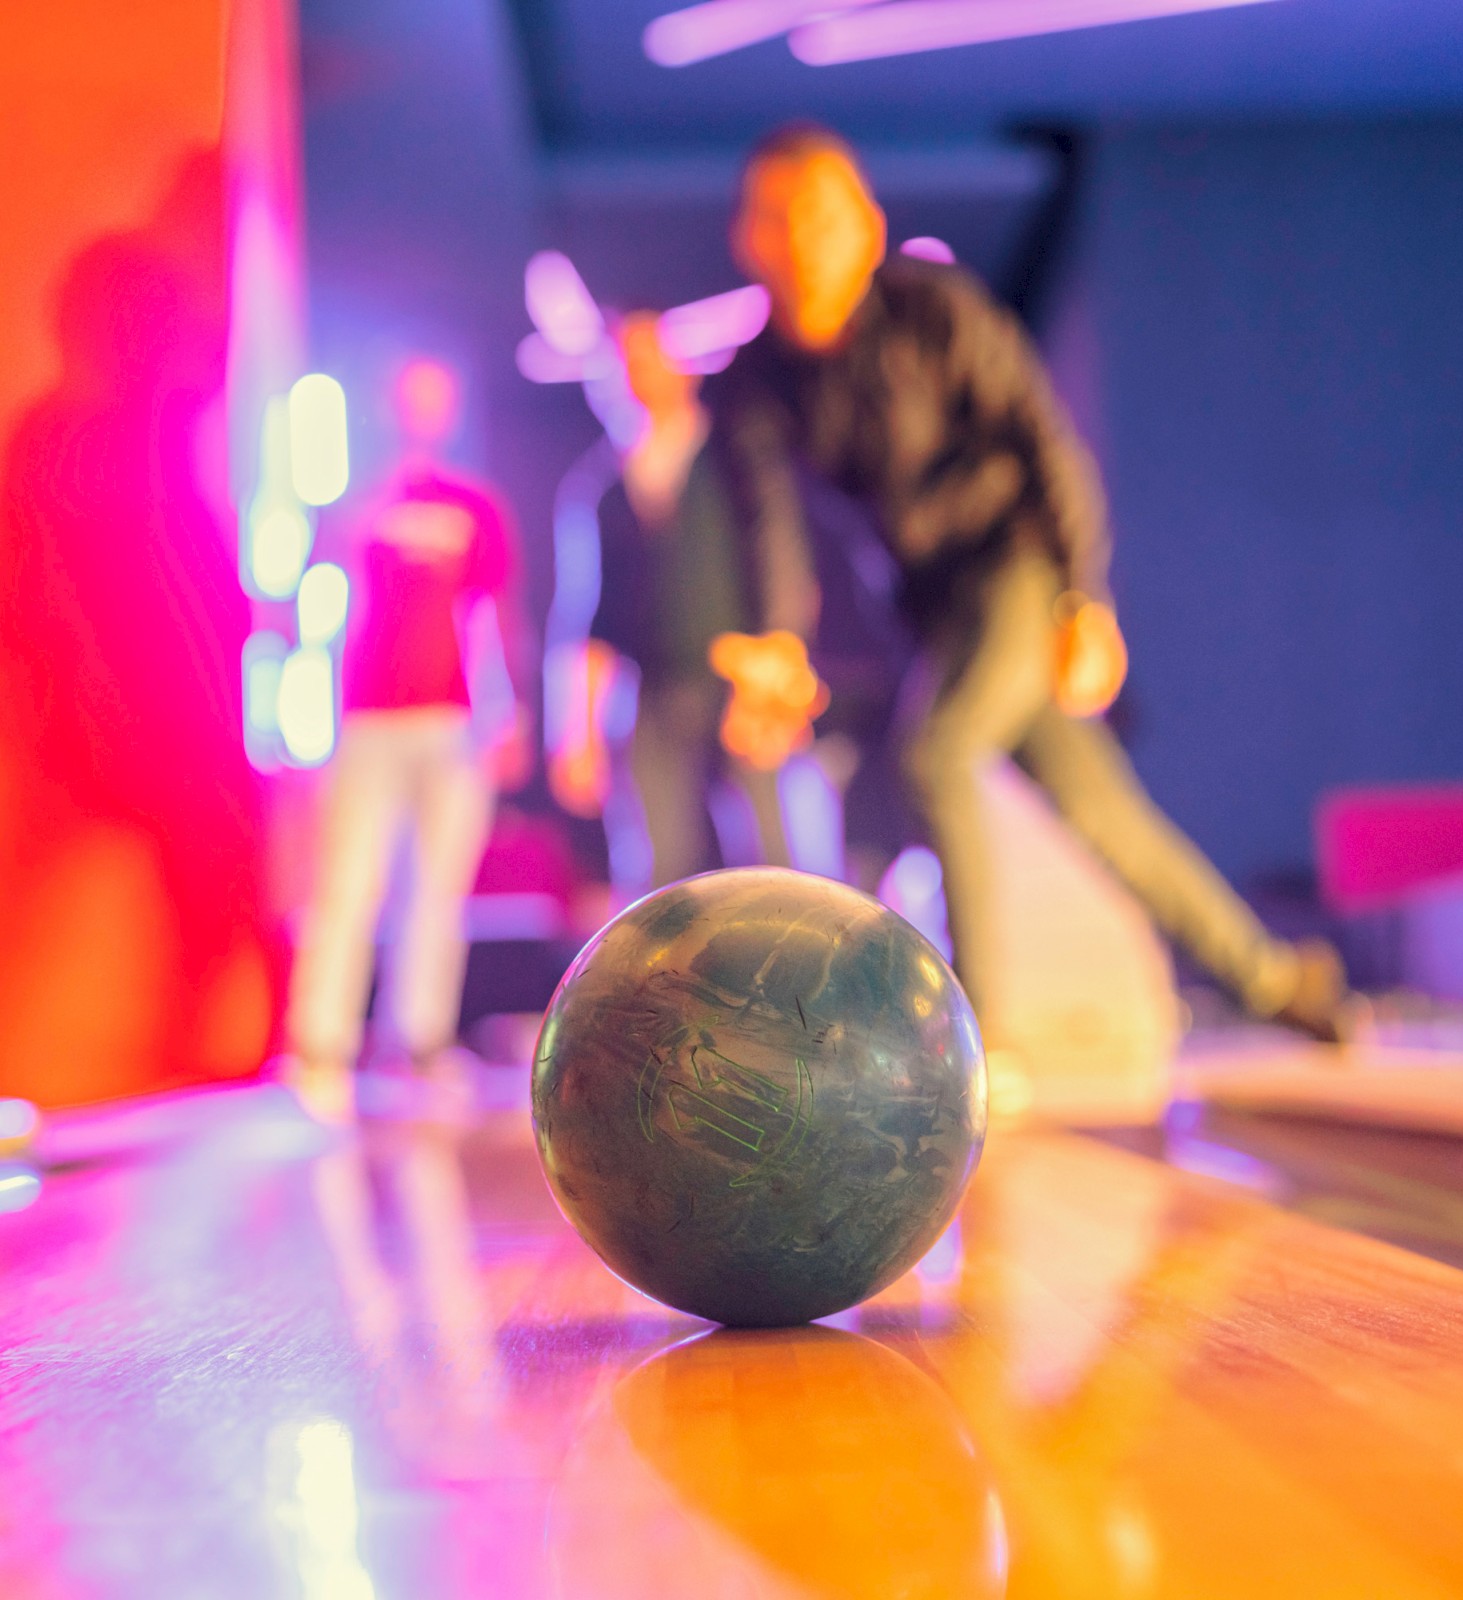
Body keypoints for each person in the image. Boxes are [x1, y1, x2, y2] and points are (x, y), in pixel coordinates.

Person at [707, 124, 1354, 1047]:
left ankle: (976, 1039)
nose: (802, 241)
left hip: (1016, 574)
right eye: (777, 218)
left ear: (865, 226)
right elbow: (765, 529)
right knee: (1104, 815)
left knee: (934, 754)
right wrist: (774, 647)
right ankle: (1275, 981)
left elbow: (1045, 443)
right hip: (932, 612)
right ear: (748, 240)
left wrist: (1085, 598)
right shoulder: (753, 383)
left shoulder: (939, 311)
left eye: (821, 216)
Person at [285, 360, 531, 1119]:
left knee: (437, 891)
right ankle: (318, 1044)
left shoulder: (475, 507)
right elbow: (314, 611)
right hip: (365, 722)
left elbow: (492, 616)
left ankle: (417, 1043)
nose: (416, 413)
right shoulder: (355, 502)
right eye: (404, 399)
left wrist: (506, 710)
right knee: (347, 885)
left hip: (452, 723)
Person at [580, 313, 797, 890]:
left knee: (771, 859)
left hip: (739, 683)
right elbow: (593, 616)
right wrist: (579, 732)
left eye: (649, 356)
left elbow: (779, 557)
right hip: (651, 694)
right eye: (623, 361)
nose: (636, 373)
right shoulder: (604, 490)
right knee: (655, 868)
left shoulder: (733, 456)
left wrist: (776, 662)